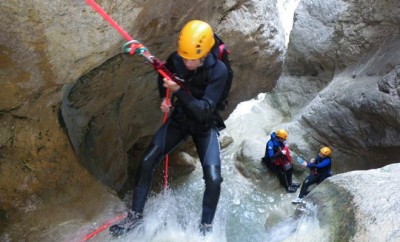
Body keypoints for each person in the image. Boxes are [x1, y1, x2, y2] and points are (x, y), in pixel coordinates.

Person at [109, 20, 228, 237]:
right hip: (180, 120)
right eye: (184, 56)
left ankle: (205, 229)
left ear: (204, 54)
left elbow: (204, 110)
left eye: (191, 58)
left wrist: (178, 92)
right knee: (147, 161)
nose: (186, 62)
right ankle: (135, 217)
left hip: (204, 125)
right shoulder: (177, 59)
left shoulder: (219, 71)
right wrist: (166, 99)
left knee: (213, 178)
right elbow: (163, 74)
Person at [261, 129, 299, 193]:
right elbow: (271, 157)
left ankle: (290, 183)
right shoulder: (271, 144)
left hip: (278, 158)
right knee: (282, 172)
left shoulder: (279, 141)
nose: (285, 140)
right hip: (270, 161)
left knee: (289, 168)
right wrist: (281, 153)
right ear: (280, 138)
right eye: (284, 139)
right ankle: (287, 187)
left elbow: (283, 146)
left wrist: (284, 148)